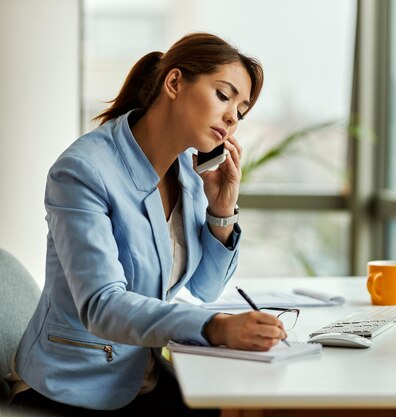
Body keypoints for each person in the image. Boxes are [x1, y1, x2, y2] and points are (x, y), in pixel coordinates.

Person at [7, 32, 287, 415]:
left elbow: (205, 288)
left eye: (241, 110)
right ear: (174, 83)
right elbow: (102, 305)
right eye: (224, 95)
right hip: (74, 385)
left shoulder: (186, 174)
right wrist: (215, 326)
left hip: (142, 374)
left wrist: (222, 210)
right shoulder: (83, 171)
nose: (231, 118)